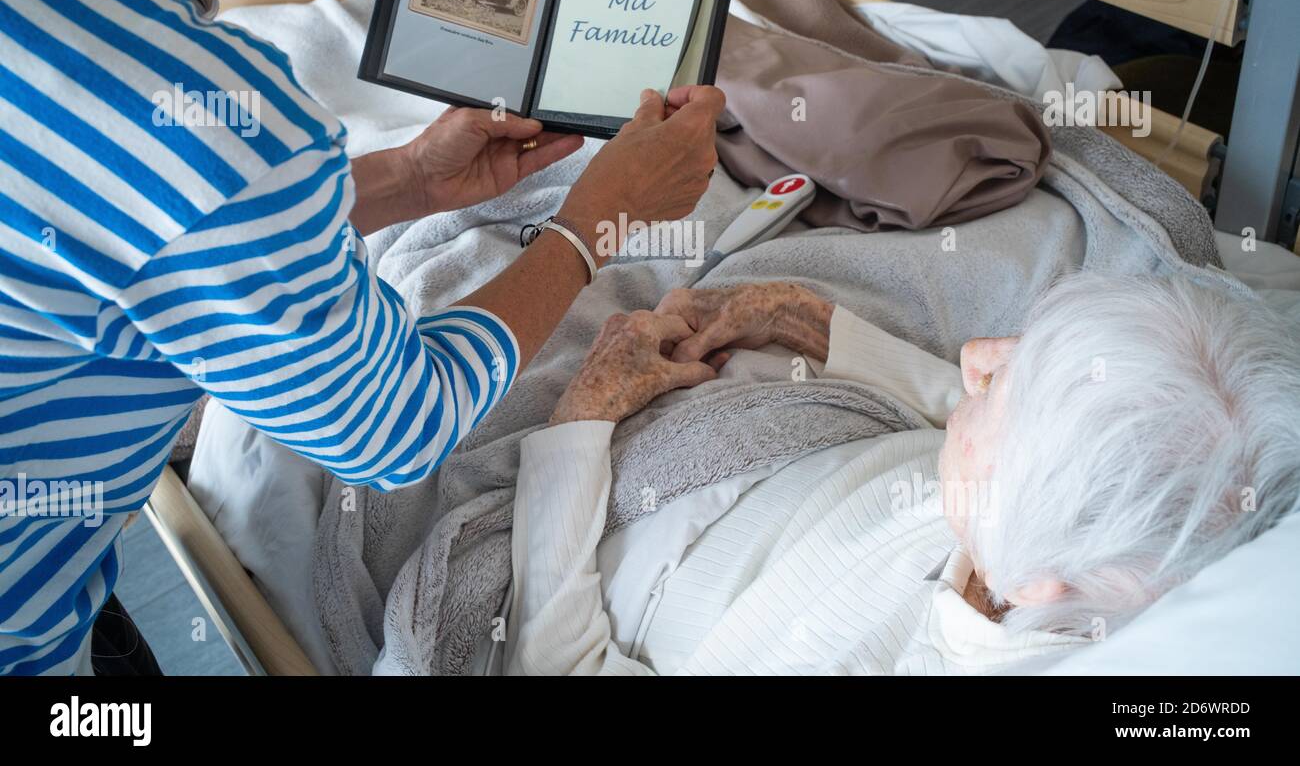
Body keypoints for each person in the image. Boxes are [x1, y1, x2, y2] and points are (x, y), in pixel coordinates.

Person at [0, 0, 721, 674]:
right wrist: (595, 221)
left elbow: (123, 236)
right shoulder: (192, 115)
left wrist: (405, 180)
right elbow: (395, 423)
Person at [505, 274, 1300, 675]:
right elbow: (1048, 449)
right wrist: (819, 327)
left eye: (1003, 394)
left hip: (628, 536)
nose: (977, 360)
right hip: (808, 442)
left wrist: (581, 418)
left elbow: (559, 663)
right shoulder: (1103, 555)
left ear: (1036, 581)